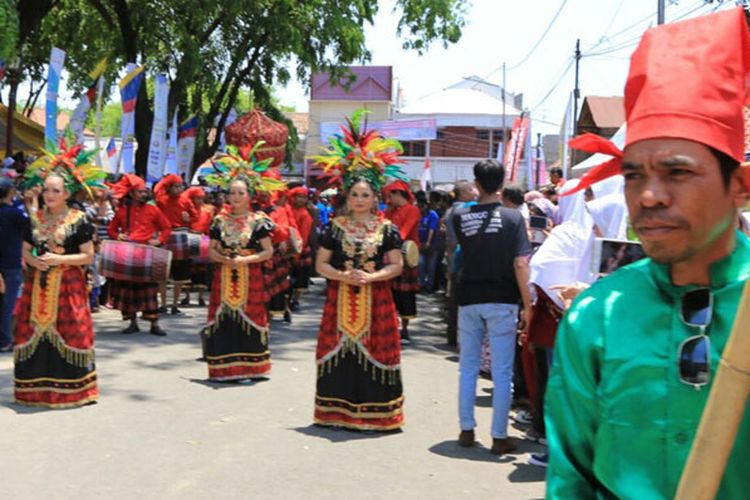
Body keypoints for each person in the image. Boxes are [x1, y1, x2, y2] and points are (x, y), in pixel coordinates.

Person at [545, 9, 750, 498]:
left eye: (677, 172)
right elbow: (570, 478)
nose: (648, 196)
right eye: (633, 175)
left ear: (739, 186)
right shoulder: (596, 316)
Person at [310, 110, 406, 431]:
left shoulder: (388, 229)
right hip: (339, 300)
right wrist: (341, 276)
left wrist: (370, 277)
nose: (360, 199)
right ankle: (334, 414)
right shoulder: (333, 228)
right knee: (338, 352)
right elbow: (320, 264)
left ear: (375, 197)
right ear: (346, 197)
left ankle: (378, 417)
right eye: (355, 194)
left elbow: (396, 265)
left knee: (376, 352)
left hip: (377, 301)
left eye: (366, 195)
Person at [13, 141, 105, 408]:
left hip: (68, 286)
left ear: (66, 193)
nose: (49, 195)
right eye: (47, 190)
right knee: (29, 332)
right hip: (37, 286)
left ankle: (75, 392)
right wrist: (34, 261)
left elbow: (88, 256)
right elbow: (26, 251)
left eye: (56, 191)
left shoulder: (79, 219)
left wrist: (59, 259)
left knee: (71, 330)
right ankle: (34, 391)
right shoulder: (35, 219)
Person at [453, 159, 532, 455]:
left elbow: (461, 253)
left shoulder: (460, 216)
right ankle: (499, 436)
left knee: (468, 367)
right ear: (502, 182)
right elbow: (521, 263)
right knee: (501, 371)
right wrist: (528, 304)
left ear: (476, 182)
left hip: (469, 297)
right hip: (503, 298)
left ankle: (466, 428)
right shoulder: (513, 219)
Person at [203, 145, 279, 382]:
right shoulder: (218, 221)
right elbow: (211, 250)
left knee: (250, 317)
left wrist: (246, 260)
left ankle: (251, 368)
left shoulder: (259, 222)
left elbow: (268, 251)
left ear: (250, 195)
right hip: (224, 276)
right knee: (224, 317)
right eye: (231, 192)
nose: (234, 197)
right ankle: (223, 368)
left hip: (250, 276)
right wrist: (224, 259)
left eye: (240, 193)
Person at [108, 174, 172, 335]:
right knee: (128, 290)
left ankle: (154, 325)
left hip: (147, 255)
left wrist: (159, 241)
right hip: (128, 255)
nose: (144, 194)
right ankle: (132, 322)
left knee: (150, 289)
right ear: (131, 193)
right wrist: (117, 236)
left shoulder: (153, 210)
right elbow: (112, 229)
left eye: (145, 192)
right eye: (140, 192)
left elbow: (166, 228)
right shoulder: (122, 211)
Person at [383, 180, 420, 343]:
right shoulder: (389, 211)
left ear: (398, 194)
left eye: (391, 195)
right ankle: (390, 326)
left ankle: (404, 329)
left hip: (404, 258)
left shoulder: (412, 210)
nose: (388, 198)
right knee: (388, 293)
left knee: (404, 294)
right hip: (389, 256)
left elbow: (403, 233)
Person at [154, 174, 196, 315]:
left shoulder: (186, 201)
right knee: (162, 273)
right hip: (166, 236)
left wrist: (188, 218)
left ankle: (175, 305)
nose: (179, 189)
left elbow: (195, 217)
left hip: (181, 235)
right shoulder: (161, 200)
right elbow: (156, 190)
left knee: (180, 275)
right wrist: (166, 179)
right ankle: (164, 304)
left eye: (180, 186)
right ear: (169, 187)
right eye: (176, 186)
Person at [0, 177, 27, 352]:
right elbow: (33, 227)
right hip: (10, 264)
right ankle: (5, 340)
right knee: (8, 303)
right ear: (10, 192)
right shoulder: (15, 214)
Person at [288, 186, 314, 310]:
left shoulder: (306, 215)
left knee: (299, 275)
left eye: (304, 197)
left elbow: (304, 235)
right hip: (287, 246)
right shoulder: (288, 210)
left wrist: (297, 252)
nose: (301, 200)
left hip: (300, 247)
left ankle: (296, 300)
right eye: (299, 197)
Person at [417, 195, 439, 292]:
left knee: (431, 267)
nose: (420, 208)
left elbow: (432, 229)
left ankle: (429, 286)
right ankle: (421, 284)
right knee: (420, 264)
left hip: (432, 245)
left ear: (426, 205)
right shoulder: (417, 214)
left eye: (422, 206)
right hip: (419, 244)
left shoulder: (432, 214)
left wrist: (428, 242)